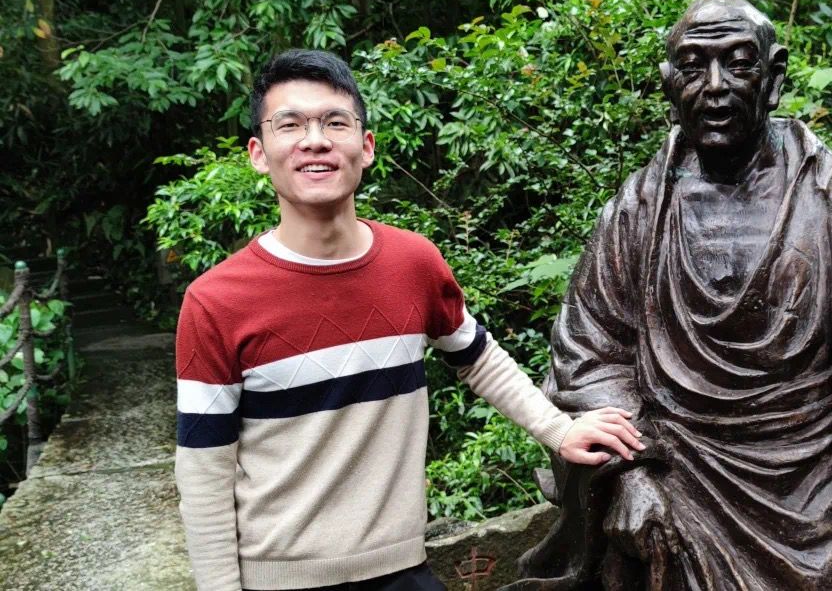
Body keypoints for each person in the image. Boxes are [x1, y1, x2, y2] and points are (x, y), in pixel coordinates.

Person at [512, 0, 832, 590]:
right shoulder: (639, 210)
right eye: (693, 67)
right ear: (668, 84)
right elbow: (590, 352)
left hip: (823, 484)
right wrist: (629, 473)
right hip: (675, 478)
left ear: (775, 76)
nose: (715, 86)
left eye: (738, 64)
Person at [174, 49, 644, 591]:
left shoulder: (412, 263)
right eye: (291, 125)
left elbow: (478, 358)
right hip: (279, 579)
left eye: (335, 122)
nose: (315, 140)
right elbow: (205, 471)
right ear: (259, 153)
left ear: (366, 146)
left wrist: (560, 430)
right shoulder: (217, 302)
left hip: (403, 569)